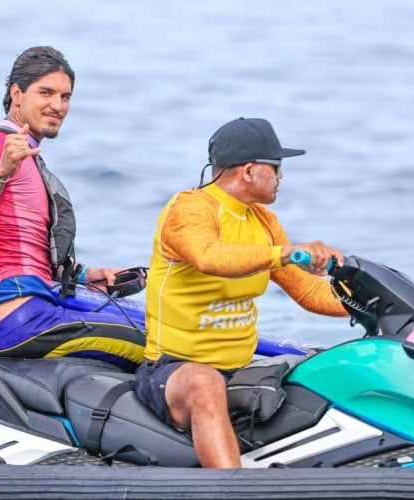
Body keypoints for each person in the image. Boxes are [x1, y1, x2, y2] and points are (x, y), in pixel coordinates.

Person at [133, 117, 349, 467]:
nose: (281, 177)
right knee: (205, 382)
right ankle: (234, 490)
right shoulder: (189, 208)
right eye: (276, 167)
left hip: (240, 367)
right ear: (249, 171)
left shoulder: (263, 221)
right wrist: (287, 253)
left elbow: (310, 292)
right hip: (171, 369)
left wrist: (371, 304)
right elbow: (209, 256)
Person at [0, 46, 144, 370]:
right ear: (17, 94)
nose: (58, 105)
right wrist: (0, 170)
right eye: (46, 93)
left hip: (9, 316)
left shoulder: (23, 153)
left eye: (65, 96)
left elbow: (16, 243)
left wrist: (84, 276)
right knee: (163, 342)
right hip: (19, 318)